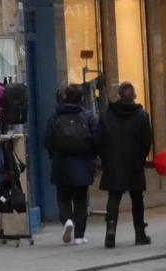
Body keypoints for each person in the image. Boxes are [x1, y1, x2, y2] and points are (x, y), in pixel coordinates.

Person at [95, 81, 154, 248]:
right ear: (134, 95)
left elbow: (98, 141)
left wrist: (105, 157)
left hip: (113, 163)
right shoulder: (142, 115)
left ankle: (111, 230)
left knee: (114, 197)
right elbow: (147, 142)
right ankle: (140, 234)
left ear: (119, 95)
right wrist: (141, 158)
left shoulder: (107, 115)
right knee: (137, 198)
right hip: (134, 163)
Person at [44, 84, 97, 245]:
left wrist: (53, 154)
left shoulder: (55, 114)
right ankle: (79, 235)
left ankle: (67, 219)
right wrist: (93, 157)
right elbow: (95, 139)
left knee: (63, 197)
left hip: (61, 162)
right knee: (81, 200)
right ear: (81, 98)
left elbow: (48, 139)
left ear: (65, 96)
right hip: (83, 163)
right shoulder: (87, 115)